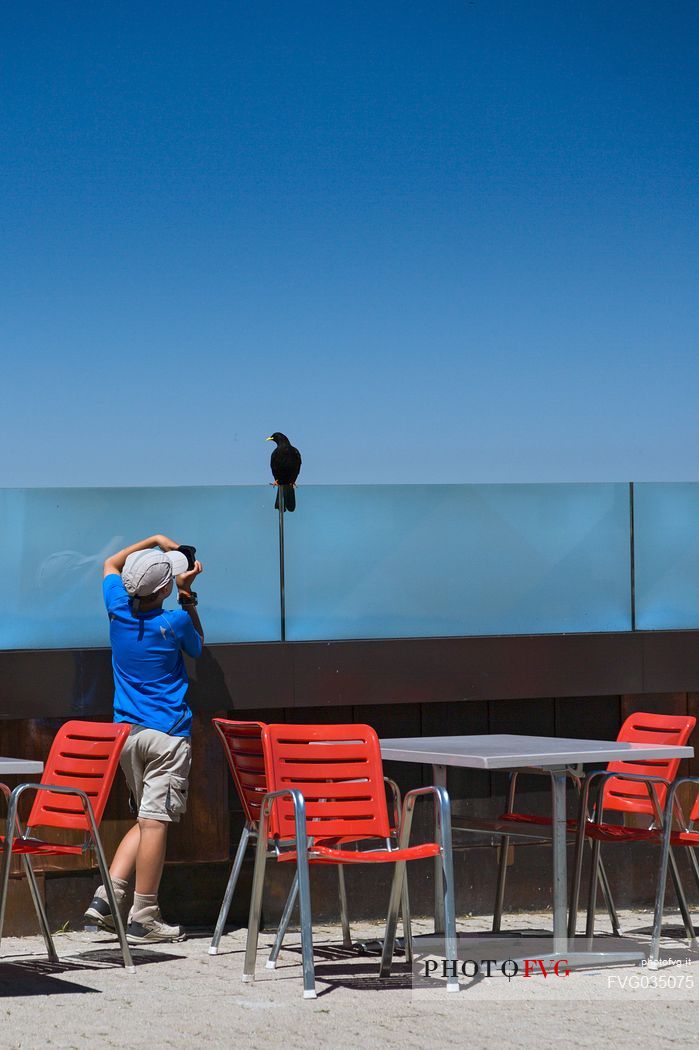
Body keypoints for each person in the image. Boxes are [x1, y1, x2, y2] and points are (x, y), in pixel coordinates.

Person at [83, 534, 204, 943]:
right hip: (168, 735)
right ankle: (145, 915)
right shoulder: (175, 621)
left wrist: (150, 539)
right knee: (156, 822)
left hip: (129, 736)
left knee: (145, 818)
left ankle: (108, 896)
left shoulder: (117, 609)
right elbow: (198, 650)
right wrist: (188, 596)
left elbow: (110, 564)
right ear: (166, 589)